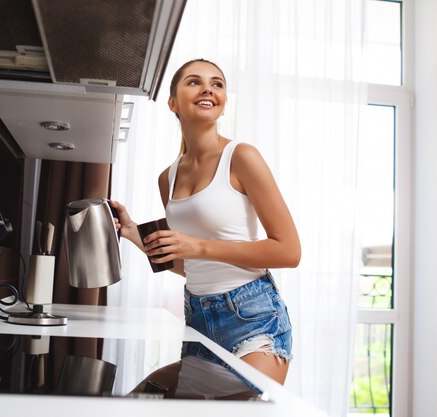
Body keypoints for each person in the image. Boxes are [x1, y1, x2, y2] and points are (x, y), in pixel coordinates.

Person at [110, 58, 301, 385]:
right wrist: (132, 234)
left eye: (217, 83)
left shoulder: (242, 157)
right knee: (143, 399)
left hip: (253, 320)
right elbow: (191, 265)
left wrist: (197, 245)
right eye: (194, 82)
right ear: (173, 103)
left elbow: (289, 252)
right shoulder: (166, 179)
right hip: (199, 321)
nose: (208, 89)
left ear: (223, 103)